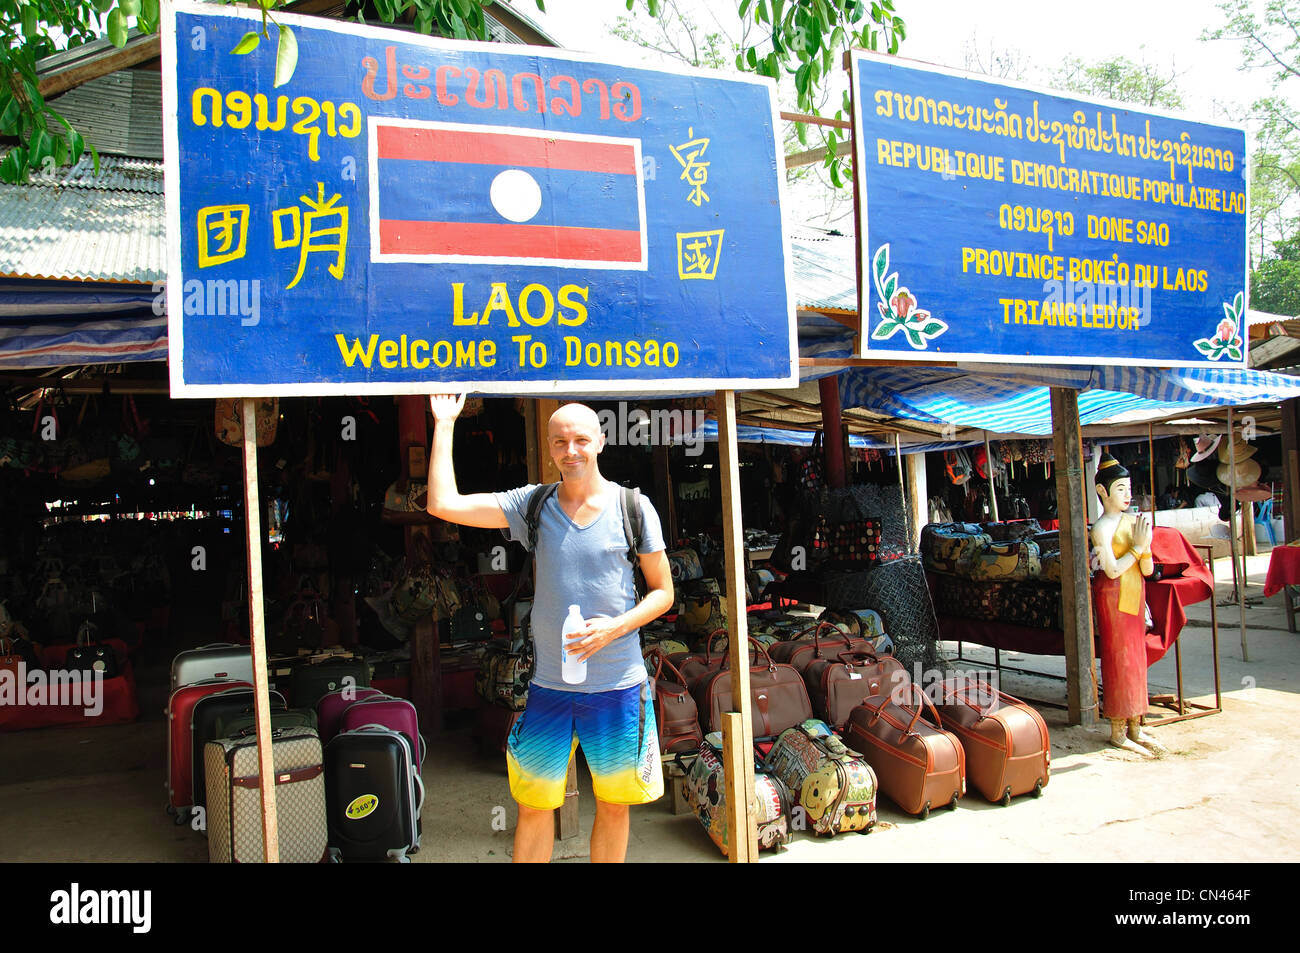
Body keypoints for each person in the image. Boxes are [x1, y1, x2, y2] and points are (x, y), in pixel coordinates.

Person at [425, 394, 674, 862]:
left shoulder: (633, 508)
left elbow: (664, 592)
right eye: (560, 441)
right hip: (549, 689)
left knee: (615, 806)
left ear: (600, 441)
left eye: (582, 439)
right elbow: (442, 504)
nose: (571, 450)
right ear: (549, 446)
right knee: (535, 806)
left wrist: (615, 628)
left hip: (618, 685)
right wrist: (444, 423)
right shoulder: (533, 505)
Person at [1091, 454, 1167, 758]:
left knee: (1136, 659)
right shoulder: (1101, 528)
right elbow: (1110, 570)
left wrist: (1144, 548)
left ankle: (1137, 724)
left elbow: (1147, 570)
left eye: (1128, 488)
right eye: (1120, 489)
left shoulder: (1132, 522)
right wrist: (1137, 549)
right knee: (1118, 659)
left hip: (1136, 594)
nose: (1127, 495)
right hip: (1112, 595)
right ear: (1102, 492)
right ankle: (1118, 728)